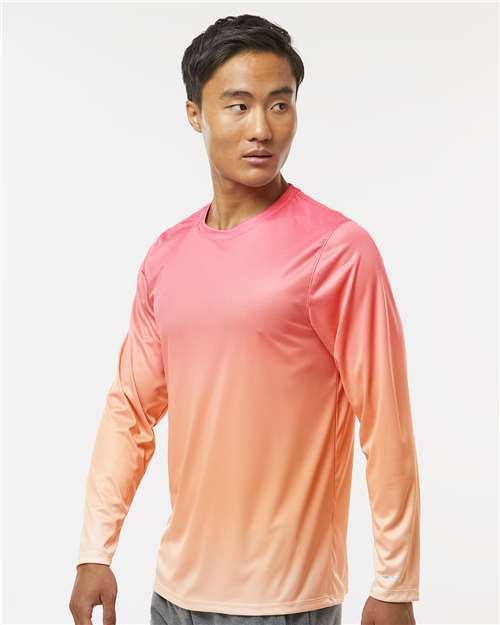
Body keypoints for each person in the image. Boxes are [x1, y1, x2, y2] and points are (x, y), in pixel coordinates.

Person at [69, 14, 420, 625]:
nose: (262, 128)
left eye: (279, 105)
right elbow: (131, 408)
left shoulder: (338, 250)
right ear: (194, 114)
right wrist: (95, 550)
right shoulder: (166, 256)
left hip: (285, 602)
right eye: (238, 106)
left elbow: (386, 424)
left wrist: (395, 585)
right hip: (174, 596)